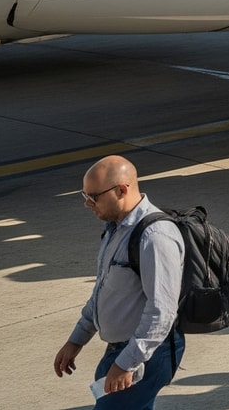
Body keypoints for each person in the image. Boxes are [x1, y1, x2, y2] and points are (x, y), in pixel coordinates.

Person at [54, 156, 185, 410]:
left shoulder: (155, 237)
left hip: (147, 354)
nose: (87, 203)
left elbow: (161, 313)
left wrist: (127, 363)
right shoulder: (115, 229)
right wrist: (76, 340)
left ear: (121, 190)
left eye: (93, 196)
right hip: (120, 351)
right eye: (84, 195)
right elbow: (103, 291)